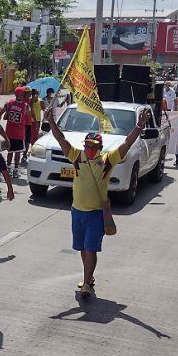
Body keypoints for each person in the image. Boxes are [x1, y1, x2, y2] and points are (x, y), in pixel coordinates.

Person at [45, 105, 144, 298]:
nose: (89, 149)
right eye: (87, 146)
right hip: (77, 211)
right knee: (82, 248)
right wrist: (51, 122)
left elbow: (125, 145)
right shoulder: (76, 157)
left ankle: (87, 285)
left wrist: (139, 127)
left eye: (93, 147)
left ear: (99, 148)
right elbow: (61, 139)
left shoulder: (107, 160)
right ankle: (87, 278)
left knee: (90, 249)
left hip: (96, 214)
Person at [1, 87, 31, 177]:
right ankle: (16, 170)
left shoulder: (9, 103)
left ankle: (8, 168)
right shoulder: (25, 105)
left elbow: (1, 113)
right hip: (19, 133)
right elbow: (29, 114)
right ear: (23, 95)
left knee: (10, 151)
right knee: (17, 152)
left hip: (9, 132)